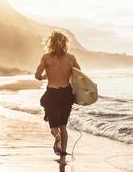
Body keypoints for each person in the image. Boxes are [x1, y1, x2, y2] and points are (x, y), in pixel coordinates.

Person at [35, 30, 81, 165]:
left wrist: (45, 75)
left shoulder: (46, 57)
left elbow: (37, 75)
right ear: (65, 43)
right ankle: (62, 158)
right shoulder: (71, 58)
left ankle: (56, 137)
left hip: (52, 93)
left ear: (50, 42)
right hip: (66, 94)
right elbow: (79, 75)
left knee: (54, 126)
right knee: (63, 126)